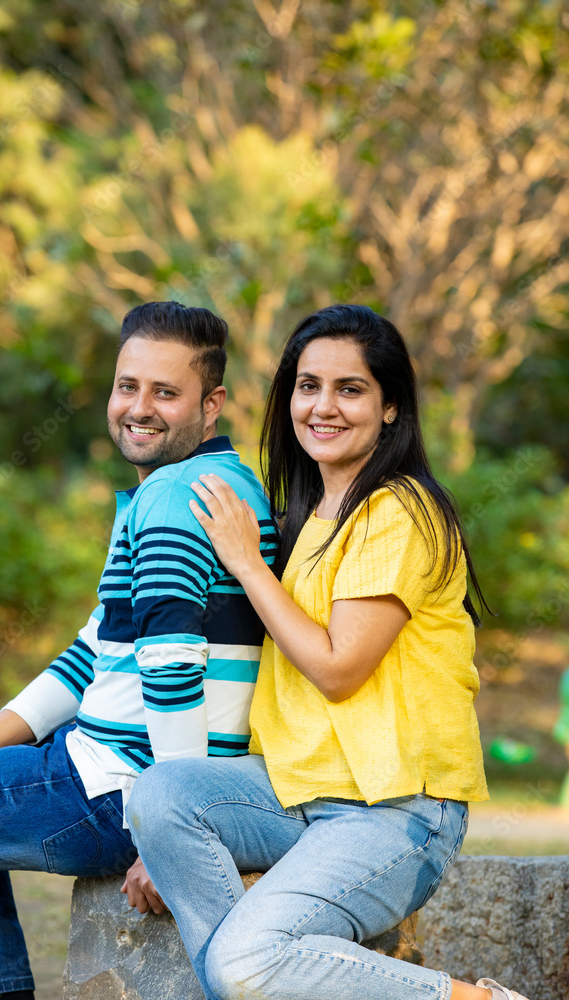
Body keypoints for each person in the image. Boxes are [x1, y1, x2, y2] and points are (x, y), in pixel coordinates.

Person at [126, 305, 530, 1000]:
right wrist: (162, 845)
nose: (322, 406)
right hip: (298, 795)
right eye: (307, 385)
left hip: (397, 812)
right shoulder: (309, 516)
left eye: (349, 389)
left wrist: (246, 564)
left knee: (242, 964)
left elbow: (339, 670)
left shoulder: (400, 511)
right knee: (162, 794)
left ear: (390, 405)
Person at [0, 301, 276, 1000]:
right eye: (128, 386)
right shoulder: (199, 486)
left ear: (210, 404)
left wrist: (170, 837)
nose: (139, 408)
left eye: (165, 392)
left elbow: (173, 668)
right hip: (100, 763)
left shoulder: (174, 500)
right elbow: (91, 656)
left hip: (114, 793)